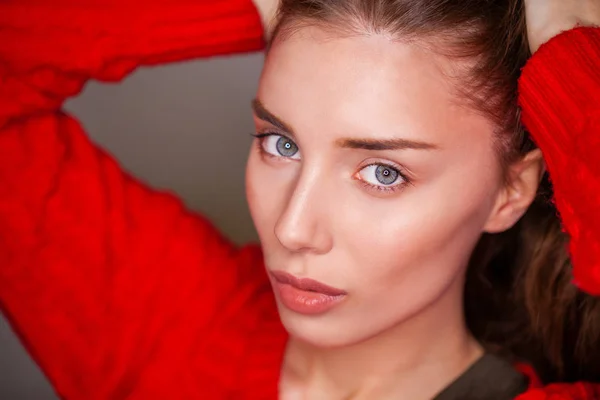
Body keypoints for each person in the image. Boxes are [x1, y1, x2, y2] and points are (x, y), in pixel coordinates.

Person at [0, 0, 599, 398]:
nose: (293, 227)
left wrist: (569, 46)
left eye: (383, 173)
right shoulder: (170, 328)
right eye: (280, 143)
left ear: (511, 190)